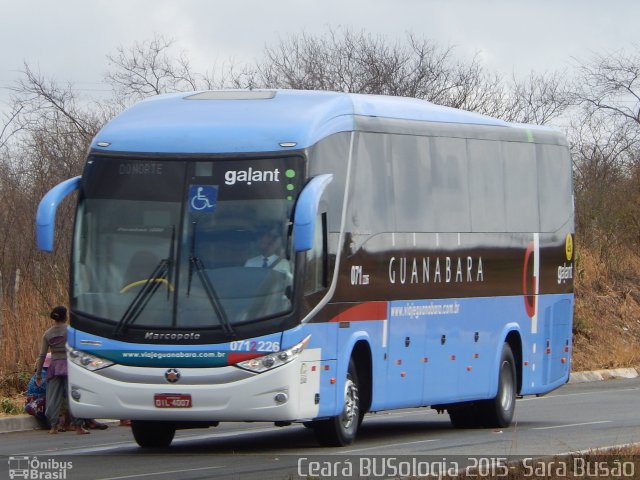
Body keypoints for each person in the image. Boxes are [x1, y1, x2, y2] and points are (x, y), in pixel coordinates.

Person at [35, 306, 89, 435]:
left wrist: (38, 374)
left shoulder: (47, 334)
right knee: (73, 396)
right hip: (70, 366)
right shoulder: (70, 331)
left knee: (53, 397)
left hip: (54, 367)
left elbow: (42, 355)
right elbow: (79, 349)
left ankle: (53, 426)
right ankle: (78, 426)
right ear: (65, 316)